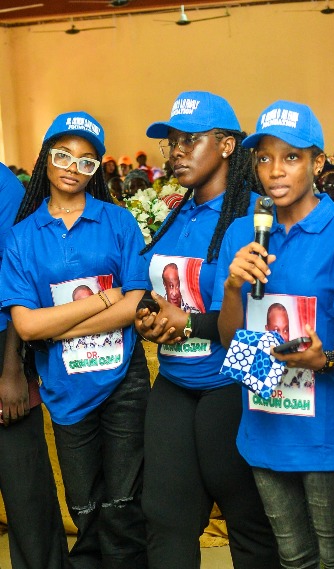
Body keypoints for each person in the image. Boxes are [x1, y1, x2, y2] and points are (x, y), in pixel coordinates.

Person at [213, 100, 334, 569]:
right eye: (264, 158)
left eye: (291, 157)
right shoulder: (242, 232)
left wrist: (325, 360)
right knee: (294, 557)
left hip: (326, 429)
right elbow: (229, 340)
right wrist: (233, 286)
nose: (275, 170)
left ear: (318, 164)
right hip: (264, 423)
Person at [135, 90, 280, 569]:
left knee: (247, 517)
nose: (177, 152)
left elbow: (255, 317)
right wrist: (150, 317)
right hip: (175, 381)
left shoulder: (256, 215)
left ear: (226, 145)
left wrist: (185, 322)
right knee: (165, 515)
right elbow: (157, 291)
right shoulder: (176, 213)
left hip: (232, 383)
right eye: (172, 143)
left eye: (190, 140)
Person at [0, 111, 151, 569]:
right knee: (84, 505)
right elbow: (26, 327)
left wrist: (55, 324)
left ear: (97, 168)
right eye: (63, 155)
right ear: (46, 158)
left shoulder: (119, 222)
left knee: (124, 504)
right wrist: (104, 299)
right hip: (65, 387)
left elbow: (135, 305)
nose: (73, 167)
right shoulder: (23, 237)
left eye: (87, 161)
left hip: (123, 382)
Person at [0, 161, 68, 569]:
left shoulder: (4, 186)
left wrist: (12, 370)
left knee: (22, 480)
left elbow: (17, 280)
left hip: (3, 345)